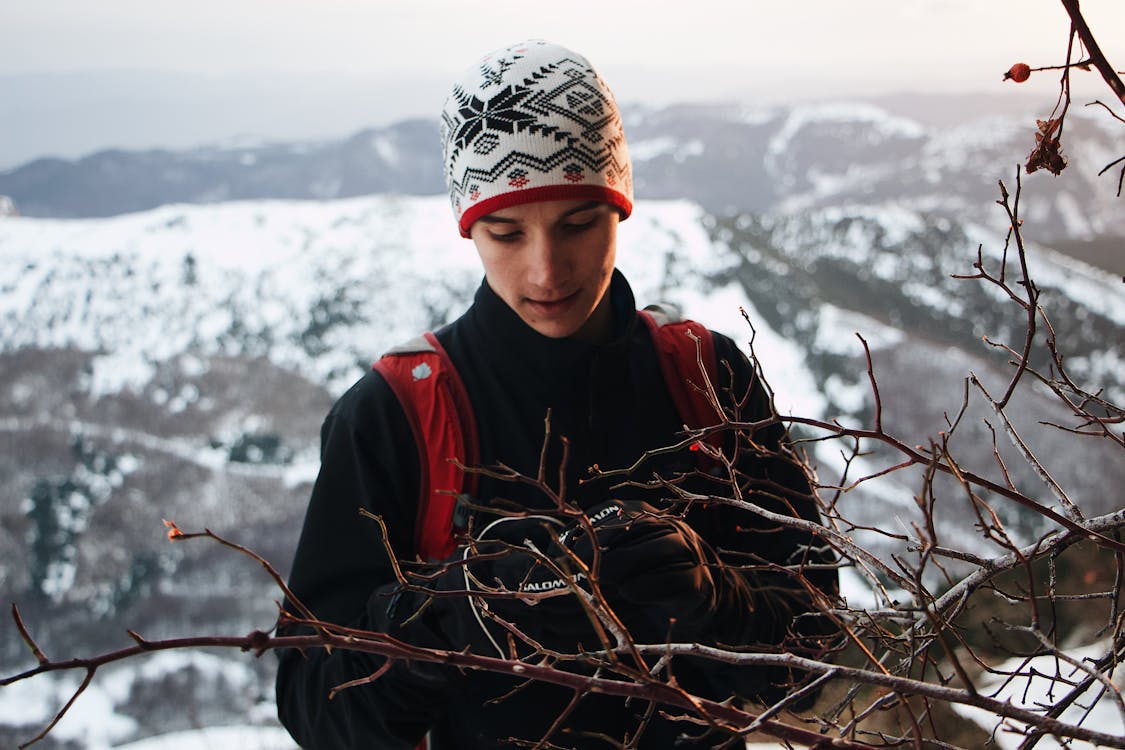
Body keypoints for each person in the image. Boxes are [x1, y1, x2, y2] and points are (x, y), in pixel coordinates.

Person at [275, 39, 837, 749]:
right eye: (506, 233)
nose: (545, 271)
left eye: (577, 223)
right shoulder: (395, 415)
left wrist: (712, 601)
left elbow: (816, 646)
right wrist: (455, 617)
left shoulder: (704, 377)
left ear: (620, 209)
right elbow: (313, 708)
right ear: (469, 230)